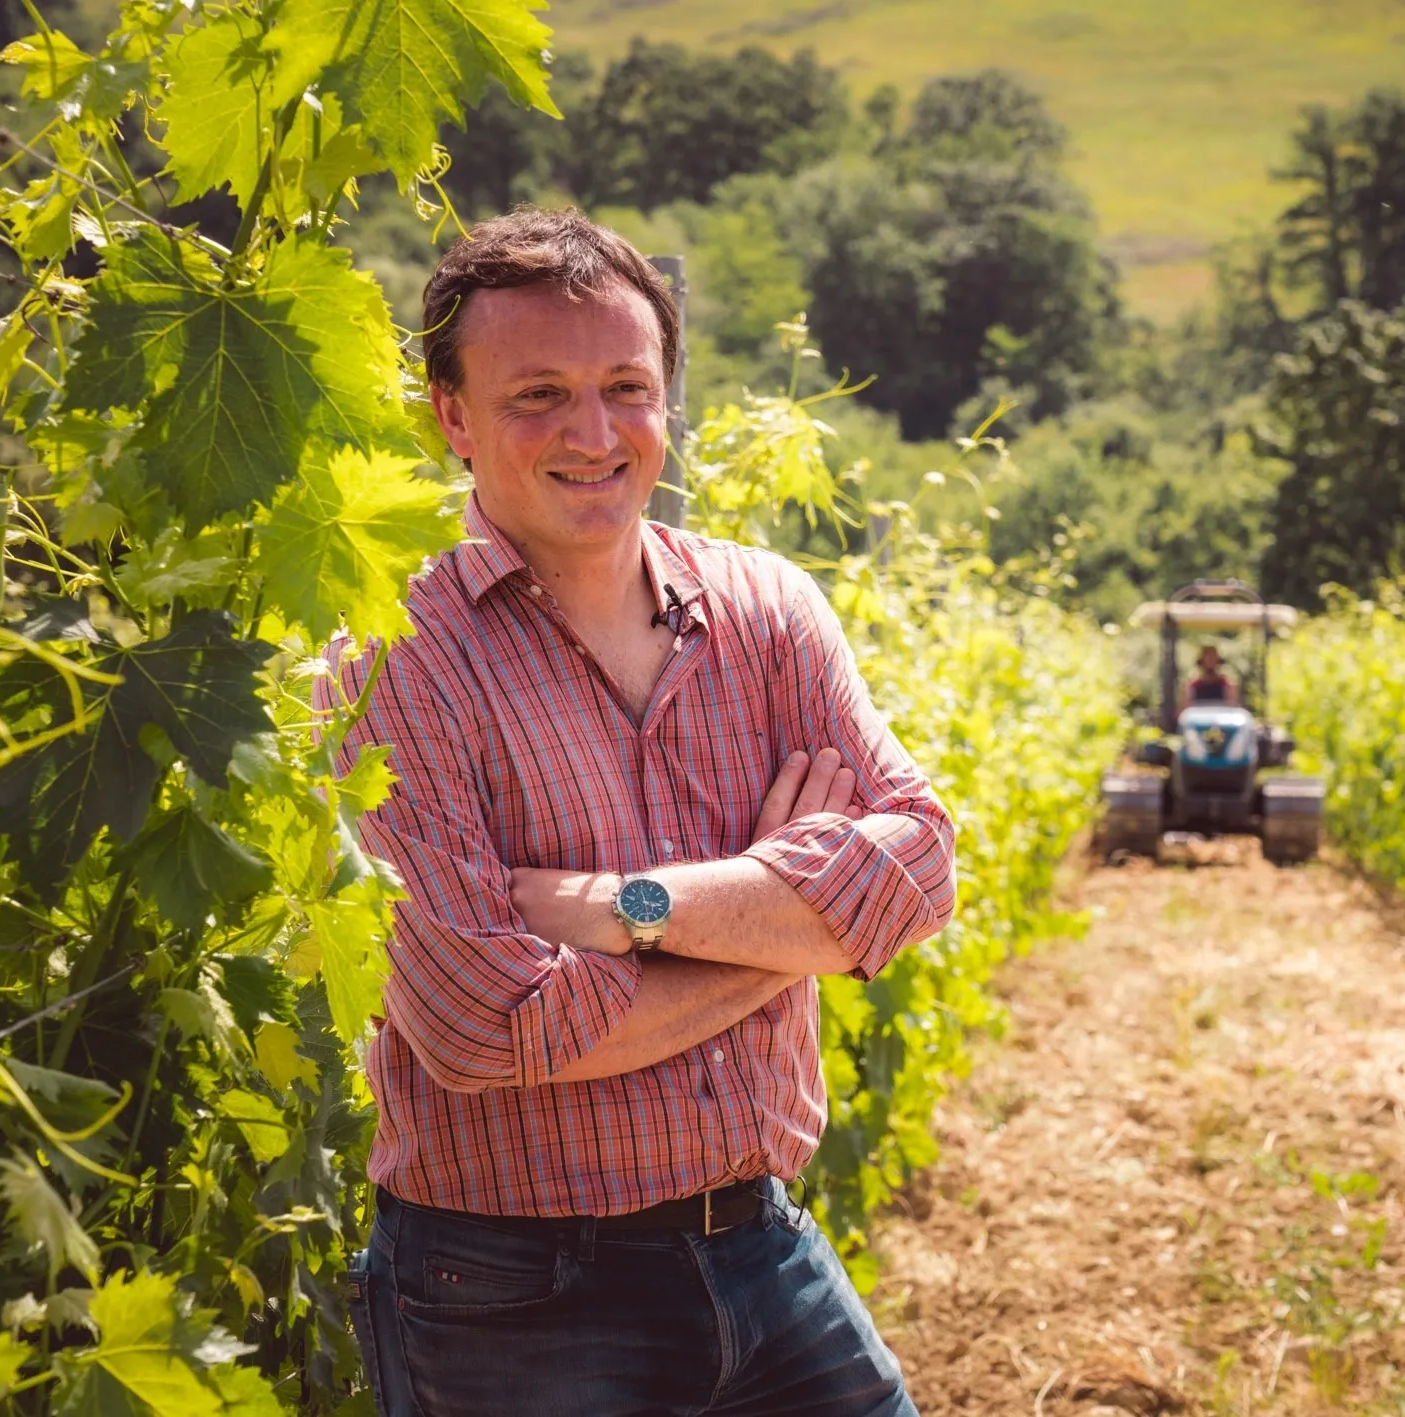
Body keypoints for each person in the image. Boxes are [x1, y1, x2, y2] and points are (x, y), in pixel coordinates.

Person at [334, 207, 956, 1417]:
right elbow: (477, 1027)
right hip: (516, 1294)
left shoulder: (767, 608)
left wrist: (629, 909)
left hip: (764, 1246)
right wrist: (791, 924)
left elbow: (921, 865)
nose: (593, 432)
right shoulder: (394, 654)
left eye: (626, 386)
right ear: (452, 417)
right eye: (539, 396)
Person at [1183, 643, 1238, 708]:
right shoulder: (1193, 685)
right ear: (1201, 662)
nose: (1210, 663)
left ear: (1218, 662)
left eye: (1213, 659)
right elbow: (1185, 708)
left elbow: (1233, 706)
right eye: (1207, 660)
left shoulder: (1227, 684)